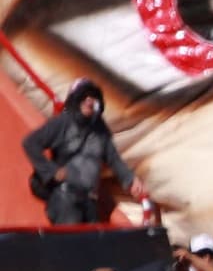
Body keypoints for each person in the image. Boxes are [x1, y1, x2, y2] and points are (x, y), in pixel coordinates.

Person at [21, 78, 147, 226]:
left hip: (90, 201)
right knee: (70, 244)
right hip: (65, 198)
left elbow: (113, 158)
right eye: (84, 96)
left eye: (92, 96)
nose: (89, 100)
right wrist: (50, 171)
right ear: (75, 99)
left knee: (91, 246)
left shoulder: (100, 129)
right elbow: (30, 143)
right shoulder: (62, 122)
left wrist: (130, 180)